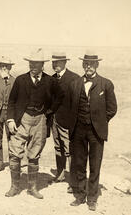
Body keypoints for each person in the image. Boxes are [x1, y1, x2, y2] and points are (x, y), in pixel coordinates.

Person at [5, 48, 63, 199]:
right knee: (15, 153)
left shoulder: (50, 81)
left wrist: (48, 112)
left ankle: (32, 187)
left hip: (40, 121)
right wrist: (11, 120)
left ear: (42, 65)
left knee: (34, 154)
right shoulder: (20, 80)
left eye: (36, 63)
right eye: (31, 63)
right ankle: (14, 186)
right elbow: (11, 101)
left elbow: (59, 97)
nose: (33, 66)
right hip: (21, 119)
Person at [68, 51, 117, 211]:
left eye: (92, 64)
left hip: (97, 132)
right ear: (83, 65)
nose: (88, 66)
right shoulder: (75, 84)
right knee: (79, 163)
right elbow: (70, 107)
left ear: (97, 65)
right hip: (78, 130)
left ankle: (92, 199)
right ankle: (80, 196)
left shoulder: (106, 84)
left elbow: (112, 108)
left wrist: (100, 121)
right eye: (86, 64)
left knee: (95, 165)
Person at [51, 52, 80, 192]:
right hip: (54, 121)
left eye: (58, 62)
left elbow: (78, 103)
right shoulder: (51, 79)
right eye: (53, 62)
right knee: (58, 148)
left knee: (70, 150)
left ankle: (74, 182)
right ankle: (60, 174)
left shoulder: (74, 79)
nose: (54, 64)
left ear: (64, 63)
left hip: (68, 122)